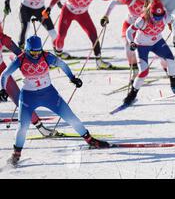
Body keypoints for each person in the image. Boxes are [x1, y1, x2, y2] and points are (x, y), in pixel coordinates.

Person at [0, 35, 109, 167]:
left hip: (49, 94)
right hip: (28, 96)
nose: (36, 55)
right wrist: (3, 89)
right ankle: (16, 154)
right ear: (27, 50)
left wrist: (72, 77)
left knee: (71, 117)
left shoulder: (46, 56)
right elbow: (4, 74)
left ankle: (90, 140)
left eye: (38, 52)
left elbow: (62, 64)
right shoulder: (20, 59)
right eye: (33, 52)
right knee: (22, 127)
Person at [42, 0, 114, 69]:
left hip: (83, 14)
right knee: (61, 35)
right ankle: (57, 58)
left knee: (93, 35)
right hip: (68, 12)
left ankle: (99, 62)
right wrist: (49, 8)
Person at [124, 0, 175, 105]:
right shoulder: (142, 20)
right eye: (155, 17)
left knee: (171, 60)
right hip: (142, 45)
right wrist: (131, 42)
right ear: (150, 13)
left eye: (160, 17)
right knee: (144, 71)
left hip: (157, 42)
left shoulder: (165, 16)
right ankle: (132, 95)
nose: (158, 20)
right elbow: (129, 31)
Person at [0, 24, 57, 137]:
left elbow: (20, 53)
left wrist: (35, 61)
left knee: (20, 100)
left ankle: (41, 128)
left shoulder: (2, 37)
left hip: (1, 69)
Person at [101, 0, 152, 84]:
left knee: (150, 47)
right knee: (128, 46)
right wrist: (106, 16)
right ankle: (134, 72)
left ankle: (170, 70)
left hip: (142, 28)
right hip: (129, 25)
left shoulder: (152, 1)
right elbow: (113, 3)